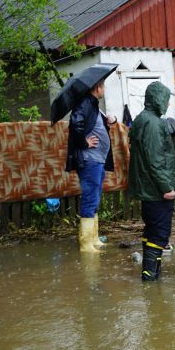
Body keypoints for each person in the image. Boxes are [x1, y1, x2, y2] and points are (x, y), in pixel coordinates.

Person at [128, 81, 175, 281]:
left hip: (147, 189)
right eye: (165, 100)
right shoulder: (154, 124)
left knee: (151, 231)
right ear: (157, 99)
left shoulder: (142, 119)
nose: (167, 104)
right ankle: (149, 278)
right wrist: (166, 187)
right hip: (156, 191)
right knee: (159, 233)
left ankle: (152, 273)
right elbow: (155, 160)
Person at [66, 80, 117, 253]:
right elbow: (75, 124)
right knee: (90, 198)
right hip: (89, 160)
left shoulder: (93, 104)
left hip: (98, 160)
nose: (104, 89)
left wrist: (112, 120)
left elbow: (99, 124)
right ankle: (86, 244)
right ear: (97, 88)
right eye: (103, 86)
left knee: (94, 198)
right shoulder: (85, 103)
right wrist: (84, 143)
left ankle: (94, 238)